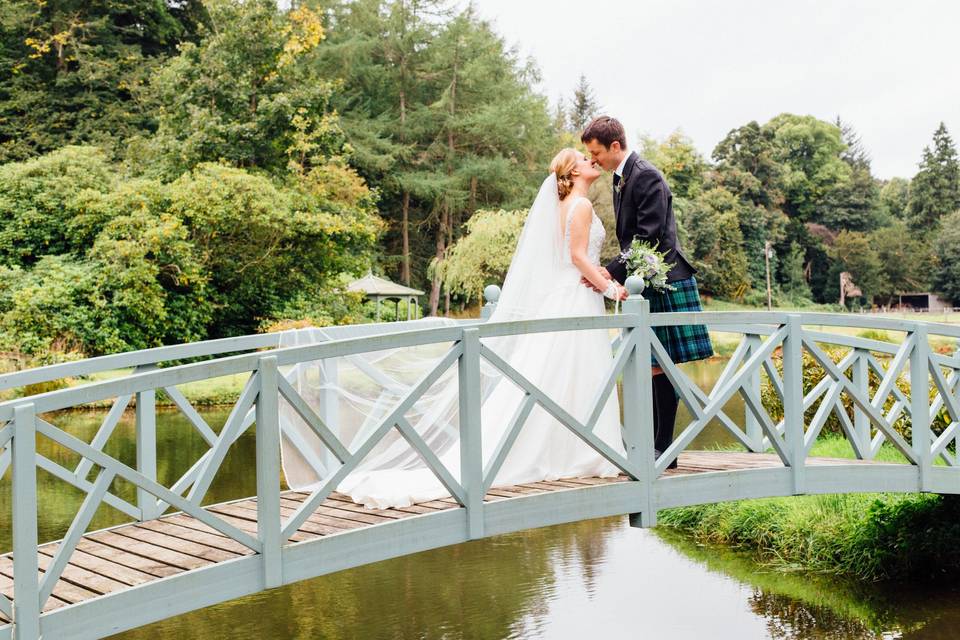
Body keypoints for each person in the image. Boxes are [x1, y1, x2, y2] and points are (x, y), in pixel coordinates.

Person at [281, 148, 630, 509]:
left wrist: (600, 276)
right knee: (572, 373)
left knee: (558, 376)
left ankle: (574, 449)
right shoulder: (582, 206)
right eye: (583, 159)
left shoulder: (562, 206)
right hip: (575, 298)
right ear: (572, 173)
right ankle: (585, 451)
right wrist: (611, 287)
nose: (591, 161)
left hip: (565, 298)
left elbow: (571, 257)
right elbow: (576, 257)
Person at [581, 116, 714, 468]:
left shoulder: (646, 175)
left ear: (615, 146)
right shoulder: (621, 176)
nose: (592, 160)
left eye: (595, 153)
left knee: (661, 366)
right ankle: (658, 449)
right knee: (652, 366)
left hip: (666, 278)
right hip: (644, 278)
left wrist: (610, 272)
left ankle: (663, 449)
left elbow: (650, 236)